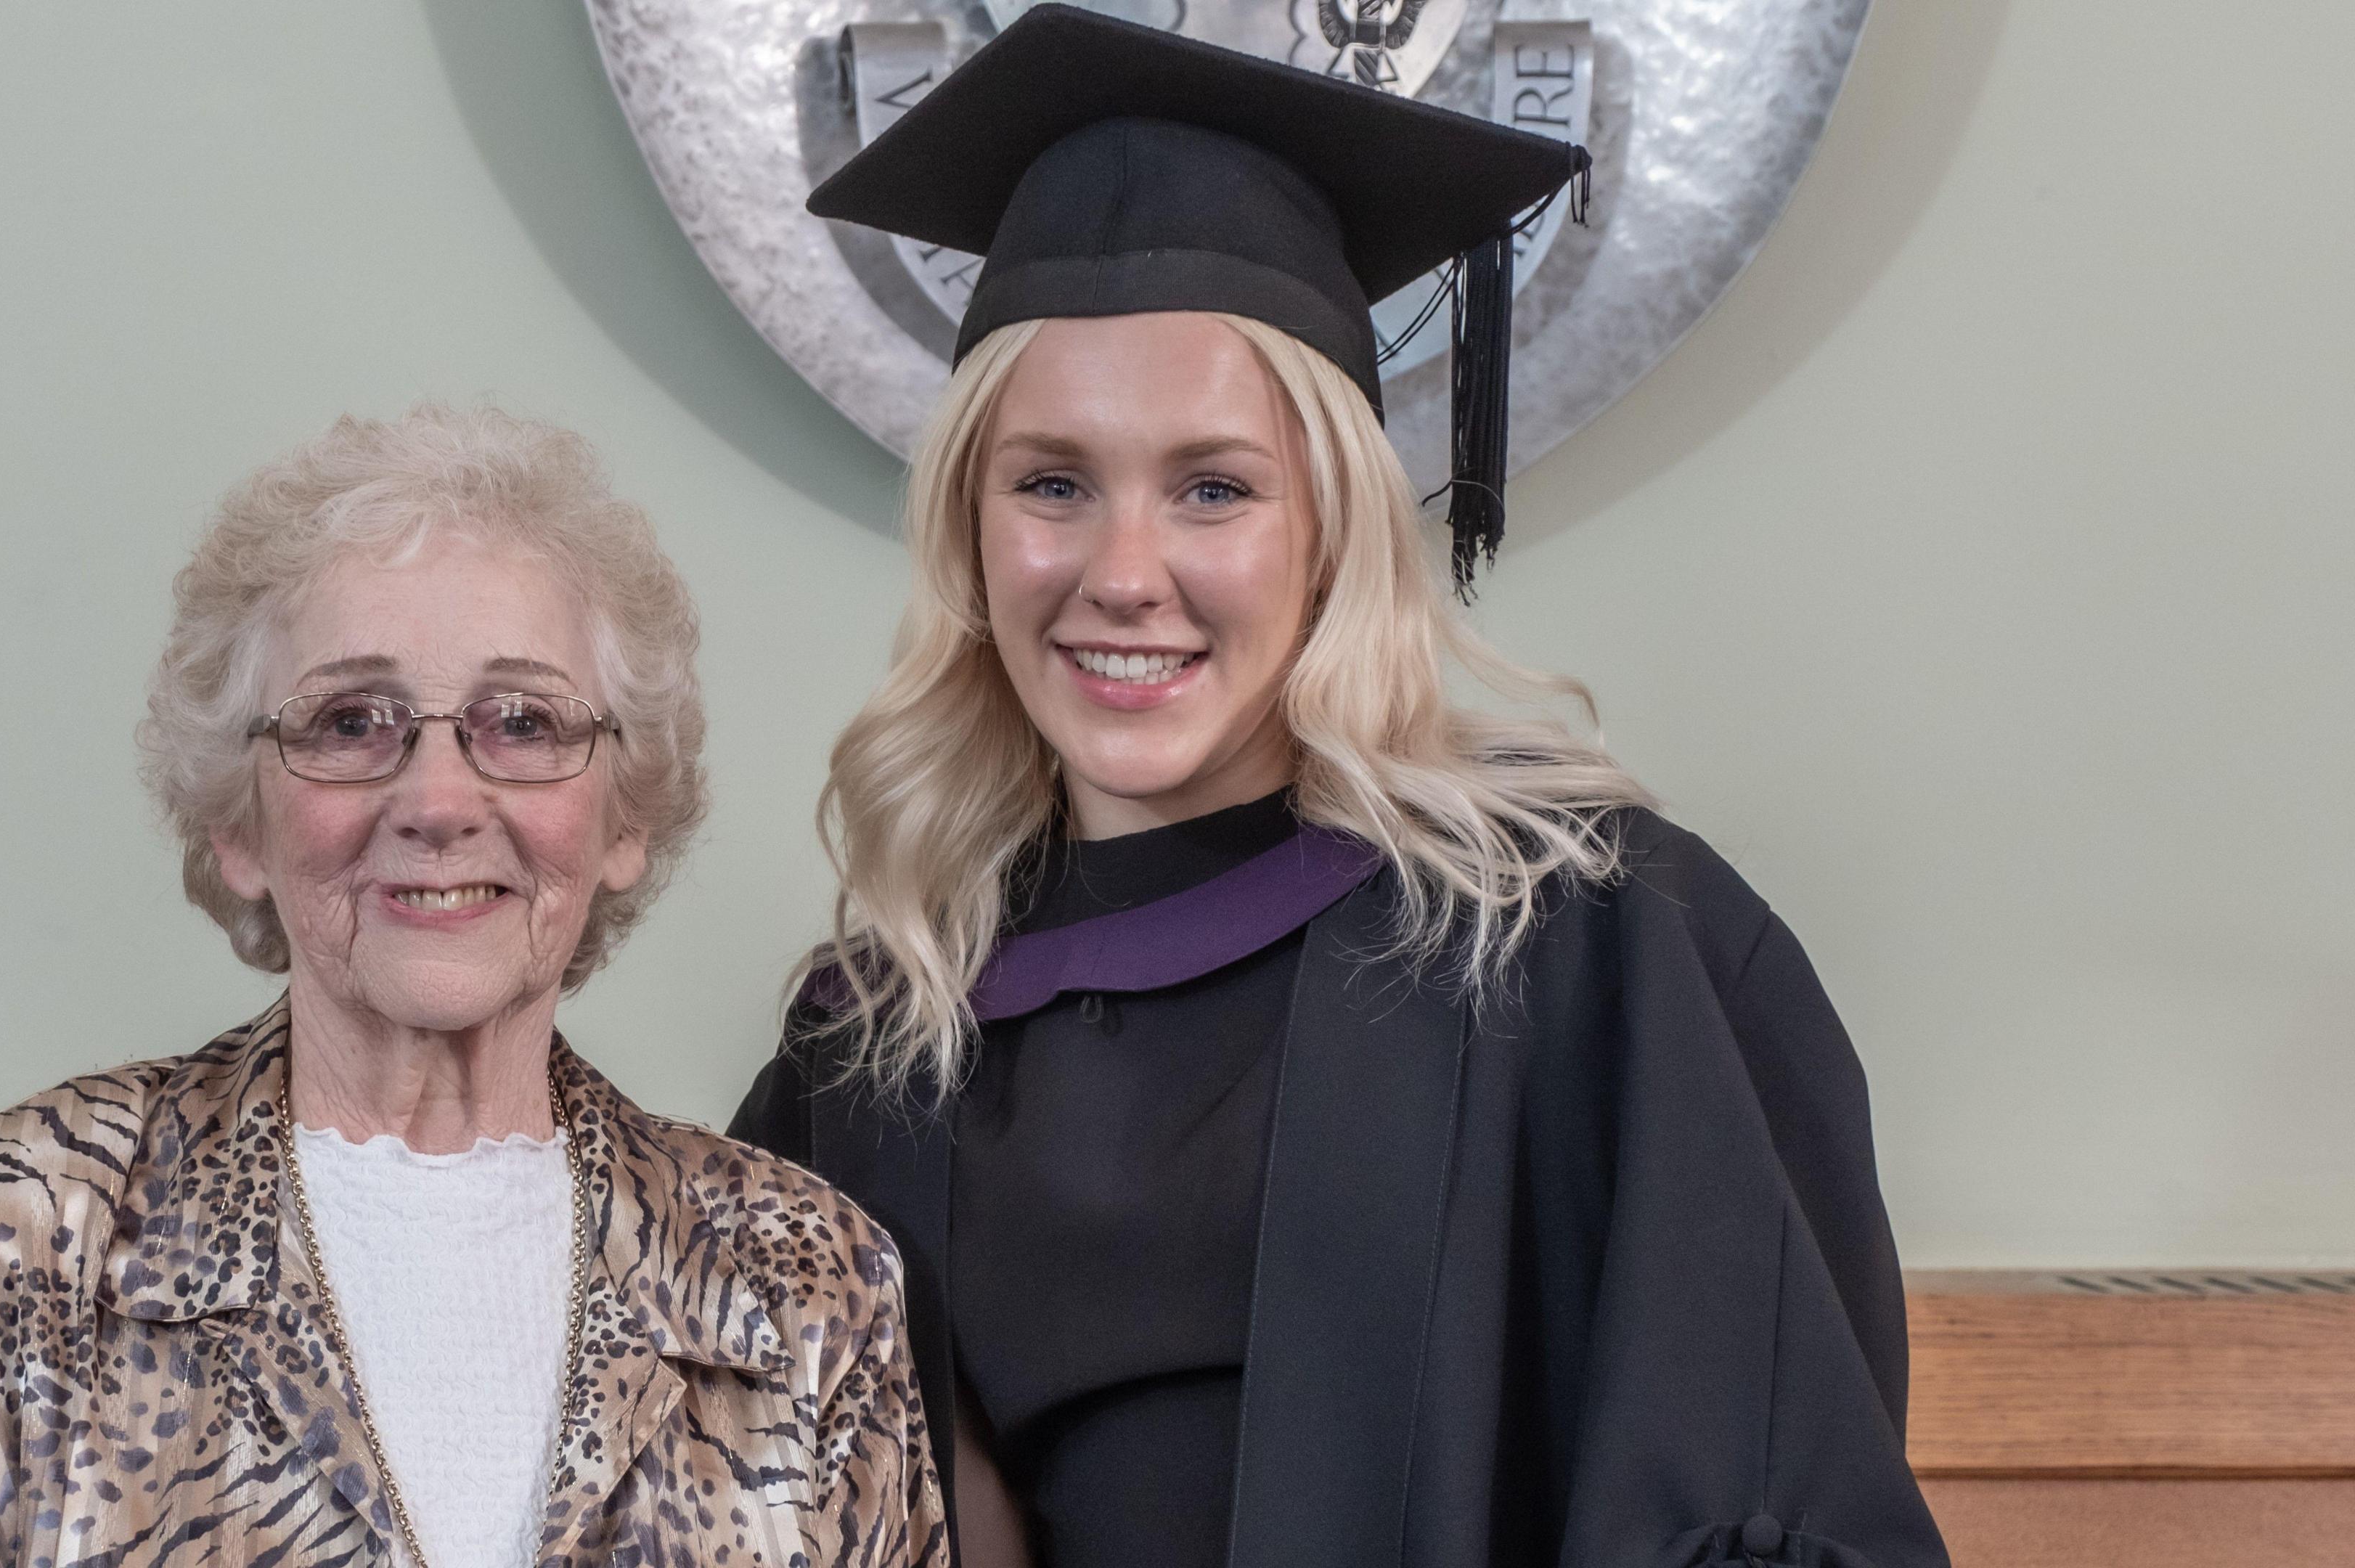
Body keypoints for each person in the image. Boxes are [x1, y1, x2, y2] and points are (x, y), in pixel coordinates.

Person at [730, 9, 1946, 1567]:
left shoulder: (1588, 950)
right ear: (970, 528)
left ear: (1334, 530)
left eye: (1215, 489)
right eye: (1051, 484)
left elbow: (1763, 1498)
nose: (1123, 575)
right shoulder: (877, 1042)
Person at [0, 406, 947, 1568]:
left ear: (625, 817)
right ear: (237, 822)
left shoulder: (807, 1277)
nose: (440, 800)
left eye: (523, 721)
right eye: (352, 722)